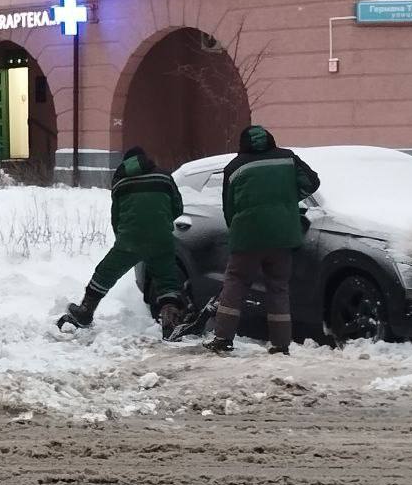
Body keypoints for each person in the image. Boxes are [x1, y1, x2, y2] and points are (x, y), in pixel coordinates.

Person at [203, 126, 320, 355]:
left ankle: (223, 338)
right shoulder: (288, 158)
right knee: (278, 288)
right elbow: (311, 182)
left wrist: (235, 229)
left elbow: (229, 207)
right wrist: (286, 200)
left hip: (247, 235)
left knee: (235, 284)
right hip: (282, 235)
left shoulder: (234, 167)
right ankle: (280, 344)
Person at [59, 147, 187, 334]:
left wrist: (124, 240)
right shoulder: (164, 176)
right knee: (167, 280)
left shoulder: (120, 181)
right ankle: (170, 322)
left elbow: (116, 217)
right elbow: (177, 207)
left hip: (130, 239)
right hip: (161, 238)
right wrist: (162, 224)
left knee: (104, 273)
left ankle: (85, 311)